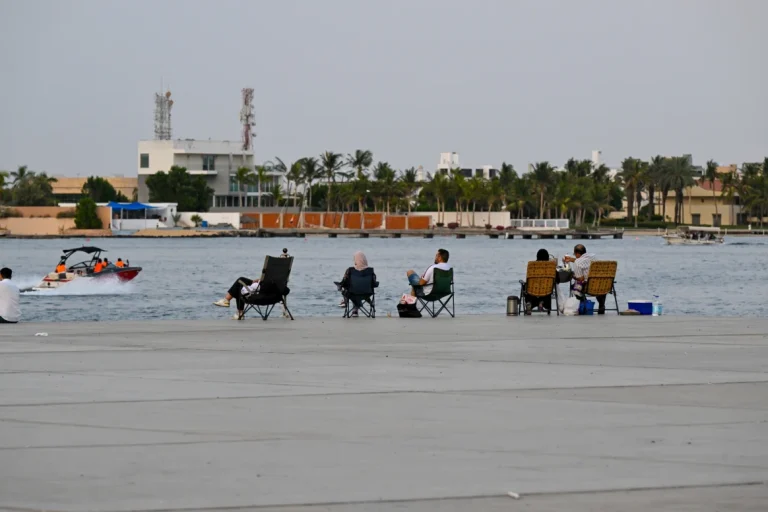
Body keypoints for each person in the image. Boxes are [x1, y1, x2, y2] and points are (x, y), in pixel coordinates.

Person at [562, 244, 606, 314]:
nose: (574, 255)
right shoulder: (593, 256)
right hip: (602, 284)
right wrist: (571, 259)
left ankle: (585, 304)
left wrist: (572, 275)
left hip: (589, 286)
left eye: (574, 254)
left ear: (577, 253)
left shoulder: (577, 263)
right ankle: (601, 304)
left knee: (574, 286)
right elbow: (584, 261)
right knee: (598, 285)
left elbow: (580, 279)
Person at [336, 251, 376, 317]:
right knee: (355, 290)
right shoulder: (370, 271)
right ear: (365, 260)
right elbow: (374, 283)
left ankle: (346, 302)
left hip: (352, 293)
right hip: (367, 294)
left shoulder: (350, 270)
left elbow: (344, 282)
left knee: (346, 289)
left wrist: (339, 286)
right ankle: (355, 309)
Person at [524, 248, 553, 314]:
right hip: (546, 292)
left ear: (537, 256)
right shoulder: (551, 267)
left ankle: (530, 302)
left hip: (532, 292)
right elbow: (557, 280)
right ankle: (542, 302)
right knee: (548, 289)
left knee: (527, 288)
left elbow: (527, 279)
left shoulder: (532, 266)